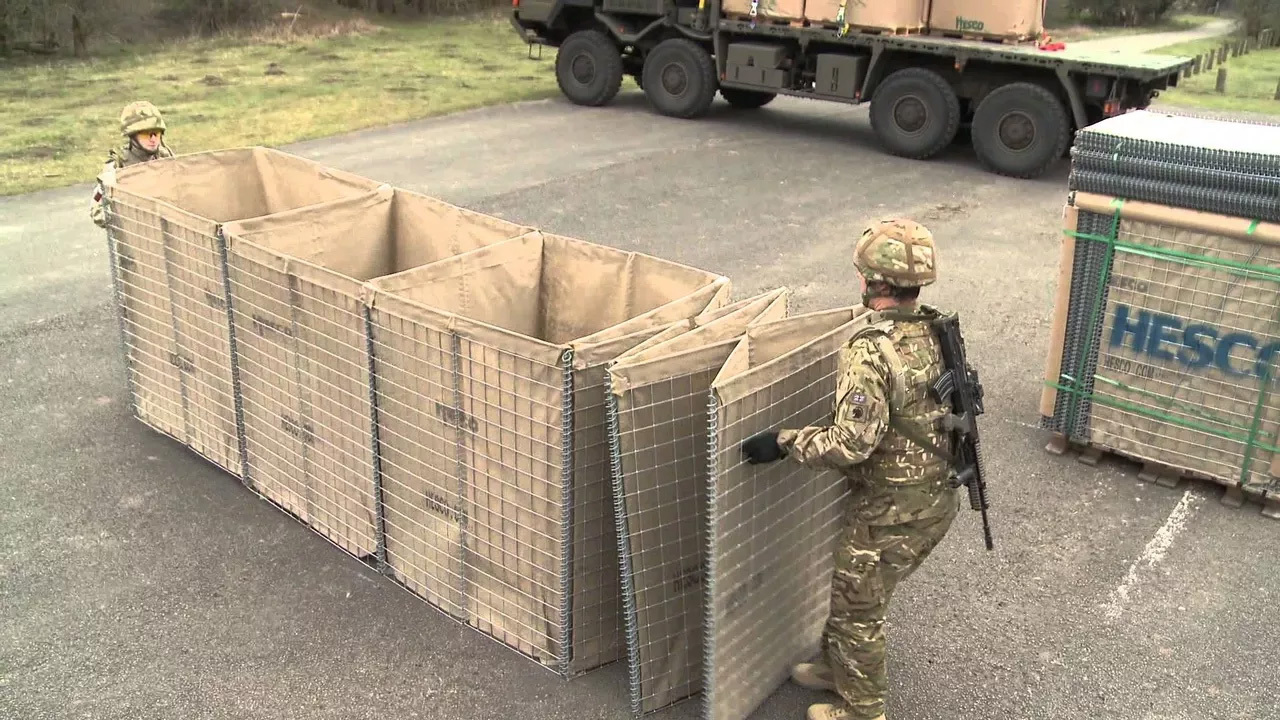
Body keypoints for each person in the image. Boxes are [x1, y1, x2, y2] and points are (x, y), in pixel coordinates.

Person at [740, 218, 962, 720]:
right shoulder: (934, 327)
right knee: (852, 589)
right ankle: (836, 667)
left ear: (875, 283)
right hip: (934, 496)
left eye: (863, 273)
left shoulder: (871, 349)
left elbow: (850, 444)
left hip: (892, 509)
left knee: (859, 608)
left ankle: (863, 710)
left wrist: (784, 442)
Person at [90, 100, 175, 228]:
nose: (153, 139)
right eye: (146, 133)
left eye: (156, 133)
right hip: (135, 236)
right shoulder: (118, 165)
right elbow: (97, 210)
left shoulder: (165, 157)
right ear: (132, 136)